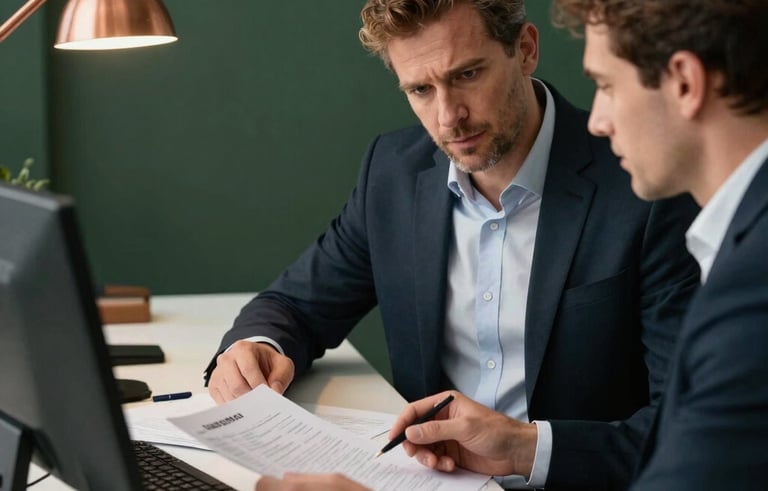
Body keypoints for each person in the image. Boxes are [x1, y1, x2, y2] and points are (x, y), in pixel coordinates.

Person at [207, 0, 700, 489]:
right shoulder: (394, 173)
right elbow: (296, 304)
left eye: (467, 75)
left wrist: (525, 448)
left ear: (525, 49)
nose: (448, 117)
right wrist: (255, 347)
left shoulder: (645, 187)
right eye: (420, 89)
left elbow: (690, 429)